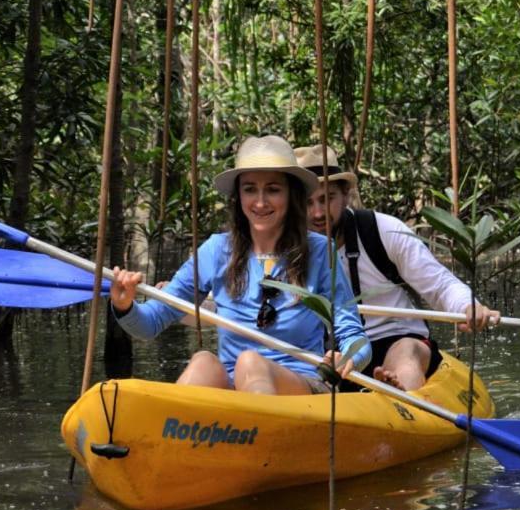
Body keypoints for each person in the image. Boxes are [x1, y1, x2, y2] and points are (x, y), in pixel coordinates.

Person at [109, 135, 371, 395]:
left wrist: (347, 357)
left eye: (273, 189)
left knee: (251, 362)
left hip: (304, 386)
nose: (260, 202)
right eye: (249, 189)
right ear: (238, 197)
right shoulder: (216, 251)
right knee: (203, 362)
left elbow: (356, 338)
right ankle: (172, 431)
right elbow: (150, 324)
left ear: (292, 195)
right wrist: (124, 306)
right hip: (236, 392)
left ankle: (262, 429)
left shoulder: (319, 250)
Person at [293, 144, 499, 391]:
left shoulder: (382, 230)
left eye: (327, 199)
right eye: (308, 203)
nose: (318, 213)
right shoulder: (286, 249)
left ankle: (398, 392)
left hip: (395, 338)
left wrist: (468, 306)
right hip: (330, 355)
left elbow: (439, 285)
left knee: (406, 354)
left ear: (346, 195)